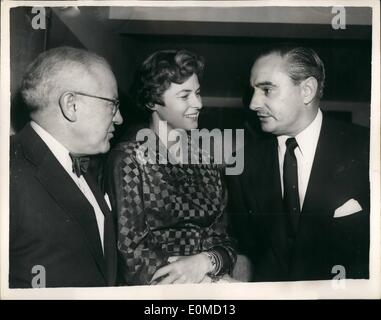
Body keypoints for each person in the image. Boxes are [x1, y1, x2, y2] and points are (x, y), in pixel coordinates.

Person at [227, 46, 370, 281]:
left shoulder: (369, 148)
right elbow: (244, 248)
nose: (253, 104)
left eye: (266, 90)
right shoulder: (241, 163)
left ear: (307, 90)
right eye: (253, 91)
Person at [103, 49, 236, 285]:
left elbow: (226, 242)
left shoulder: (207, 160)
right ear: (152, 101)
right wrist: (206, 282)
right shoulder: (128, 159)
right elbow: (130, 253)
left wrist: (206, 262)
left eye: (197, 93)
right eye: (185, 96)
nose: (199, 103)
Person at [10, 46, 123, 287]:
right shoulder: (8, 170)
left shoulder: (83, 164)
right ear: (71, 105)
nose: (119, 118)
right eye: (112, 104)